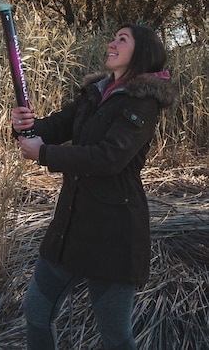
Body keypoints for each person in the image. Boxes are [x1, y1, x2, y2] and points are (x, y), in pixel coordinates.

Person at [11, 23, 177, 350]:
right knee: (36, 310)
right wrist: (24, 126)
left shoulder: (142, 102)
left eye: (122, 39)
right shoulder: (95, 92)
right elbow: (57, 126)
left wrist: (43, 153)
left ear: (141, 52)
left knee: (115, 337)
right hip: (70, 226)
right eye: (113, 37)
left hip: (114, 236)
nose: (112, 43)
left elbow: (109, 159)